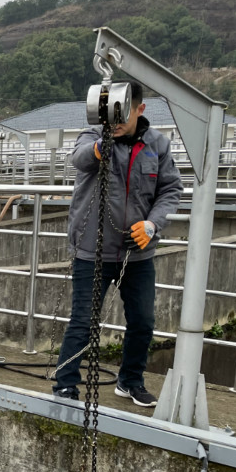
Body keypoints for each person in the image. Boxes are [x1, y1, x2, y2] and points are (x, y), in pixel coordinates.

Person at [53, 82, 182, 407]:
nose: (116, 121)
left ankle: (130, 381)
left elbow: (170, 190)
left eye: (123, 114)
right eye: (111, 114)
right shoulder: (92, 136)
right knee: (83, 320)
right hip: (92, 253)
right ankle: (66, 385)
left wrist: (153, 224)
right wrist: (100, 146)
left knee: (142, 321)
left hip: (138, 253)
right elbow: (80, 159)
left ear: (140, 109)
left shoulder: (157, 145)